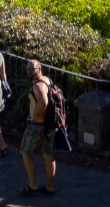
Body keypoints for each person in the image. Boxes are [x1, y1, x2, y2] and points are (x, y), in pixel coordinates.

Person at [18, 62, 68, 196]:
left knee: (25, 151)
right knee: (48, 154)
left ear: (39, 69)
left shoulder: (38, 86)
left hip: (38, 126)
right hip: (50, 126)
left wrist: (34, 114)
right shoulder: (47, 80)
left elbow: (44, 102)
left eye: (32, 69)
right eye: (27, 69)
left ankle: (33, 185)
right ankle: (49, 187)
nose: (29, 72)